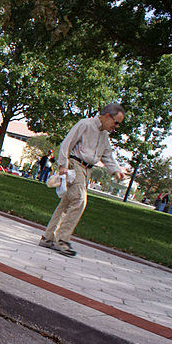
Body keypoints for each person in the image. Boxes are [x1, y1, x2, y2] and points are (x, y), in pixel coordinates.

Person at [39, 103, 127, 256]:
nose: (116, 126)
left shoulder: (104, 136)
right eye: (116, 122)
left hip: (87, 171)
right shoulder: (85, 125)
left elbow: (107, 156)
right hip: (75, 165)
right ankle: (62, 240)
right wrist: (62, 165)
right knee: (79, 201)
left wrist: (116, 171)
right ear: (107, 116)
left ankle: (48, 237)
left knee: (66, 204)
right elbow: (66, 144)